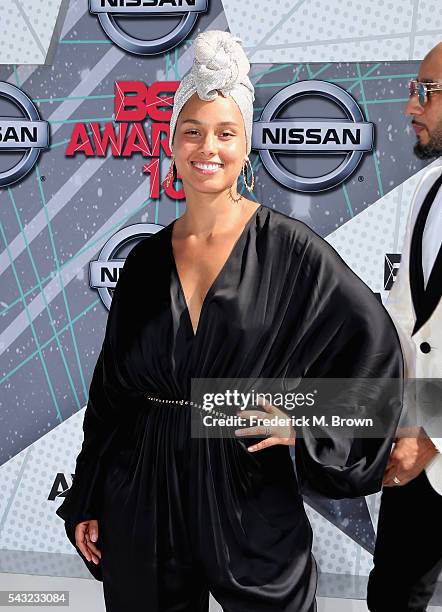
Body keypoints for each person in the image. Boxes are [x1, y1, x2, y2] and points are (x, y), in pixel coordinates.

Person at [56, 30, 403, 612]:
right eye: (191, 131)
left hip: (245, 473)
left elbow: (377, 355)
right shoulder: (144, 260)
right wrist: (89, 491)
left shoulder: (291, 250)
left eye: (225, 132)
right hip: (144, 479)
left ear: (246, 144)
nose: (206, 147)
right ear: (172, 142)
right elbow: (113, 390)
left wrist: (308, 421)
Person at [367, 42, 442, 612]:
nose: (408, 106)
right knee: (391, 598)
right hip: (411, 453)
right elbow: (403, 317)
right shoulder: (427, 189)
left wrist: (431, 438)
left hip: (429, 442)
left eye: (426, 91)